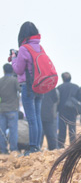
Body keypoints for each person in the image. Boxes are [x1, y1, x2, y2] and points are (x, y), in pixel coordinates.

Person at [10, 21, 44, 155]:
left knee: (31, 119)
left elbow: (18, 70)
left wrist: (14, 58)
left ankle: (33, 147)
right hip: (39, 85)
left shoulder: (24, 48)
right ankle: (38, 146)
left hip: (28, 87)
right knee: (37, 116)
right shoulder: (39, 47)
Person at [57, 72, 81, 148]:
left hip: (62, 111)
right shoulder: (76, 87)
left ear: (62, 79)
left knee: (62, 129)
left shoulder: (59, 87)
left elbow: (57, 100)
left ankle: (61, 145)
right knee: (72, 129)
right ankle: (73, 145)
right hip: (73, 111)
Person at [0, 63, 20, 154]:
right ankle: (13, 149)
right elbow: (20, 90)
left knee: (2, 131)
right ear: (12, 70)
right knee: (13, 131)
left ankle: (3, 150)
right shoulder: (14, 80)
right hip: (12, 109)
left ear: (3, 70)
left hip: (2, 109)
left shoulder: (0, 81)